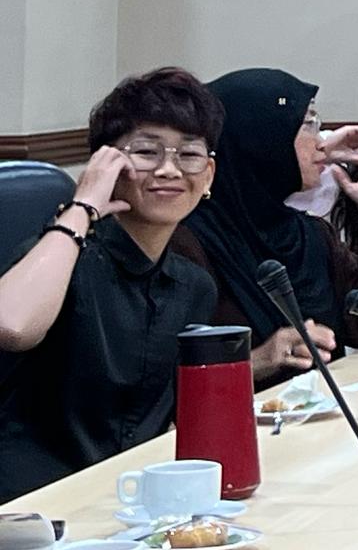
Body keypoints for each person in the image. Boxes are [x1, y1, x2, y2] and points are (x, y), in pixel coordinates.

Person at [0, 69, 225, 498]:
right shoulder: (62, 259)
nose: (169, 169)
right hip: (28, 504)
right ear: (107, 164)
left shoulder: (193, 287)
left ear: (209, 174)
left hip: (126, 498)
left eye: (188, 154)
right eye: (147, 152)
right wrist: (84, 203)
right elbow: (12, 324)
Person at [176, 68, 358, 361]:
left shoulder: (310, 235)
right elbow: (170, 373)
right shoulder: (186, 242)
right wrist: (260, 360)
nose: (321, 143)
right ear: (260, 137)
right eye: (307, 124)